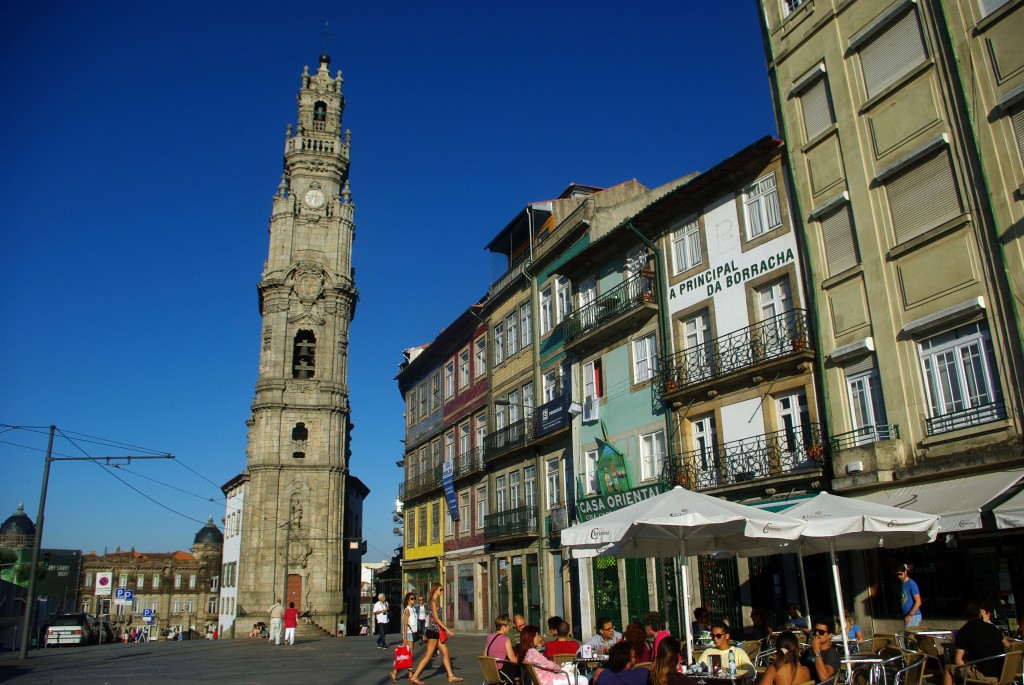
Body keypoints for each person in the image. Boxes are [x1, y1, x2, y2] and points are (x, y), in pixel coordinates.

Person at [943, 603, 1011, 685]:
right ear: (980, 615)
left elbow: (958, 660)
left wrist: (967, 670)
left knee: (947, 668)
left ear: (965, 616)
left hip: (985, 676)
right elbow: (1007, 645)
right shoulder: (992, 627)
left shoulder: (963, 631)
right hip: (1004, 673)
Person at [409, 582, 462, 684]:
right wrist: (448, 630)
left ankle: (450, 676)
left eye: (442, 590)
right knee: (428, 655)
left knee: (445, 652)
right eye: (440, 590)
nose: (442, 591)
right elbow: (436, 619)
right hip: (433, 631)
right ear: (435, 590)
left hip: (436, 631)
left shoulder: (436, 601)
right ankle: (415, 676)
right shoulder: (432, 602)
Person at [517, 624, 587, 685]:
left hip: (544, 679)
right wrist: (560, 668)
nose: (539, 637)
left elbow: (544, 659)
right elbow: (549, 664)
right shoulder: (532, 652)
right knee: (584, 680)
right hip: (549, 680)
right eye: (537, 635)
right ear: (531, 637)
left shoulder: (527, 653)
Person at [391, 593, 419, 682]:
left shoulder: (413, 609)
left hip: (413, 633)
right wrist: (405, 638)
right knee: (409, 654)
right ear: (408, 600)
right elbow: (405, 624)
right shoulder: (407, 610)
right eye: (411, 599)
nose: (413, 600)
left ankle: (398, 672)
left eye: (414, 598)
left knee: (408, 654)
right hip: (409, 634)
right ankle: (404, 673)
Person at [484, 614, 519, 682]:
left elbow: (484, 656)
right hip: (502, 672)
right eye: (508, 626)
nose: (509, 628)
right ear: (503, 627)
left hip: (491, 671)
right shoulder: (506, 639)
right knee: (520, 669)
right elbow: (513, 660)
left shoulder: (489, 637)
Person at [896, 564, 923, 628]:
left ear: (905, 572)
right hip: (906, 615)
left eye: (900, 574)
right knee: (908, 636)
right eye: (897, 575)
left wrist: (910, 615)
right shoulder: (902, 584)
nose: (899, 576)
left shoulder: (911, 583)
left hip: (913, 616)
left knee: (910, 637)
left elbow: (918, 601)